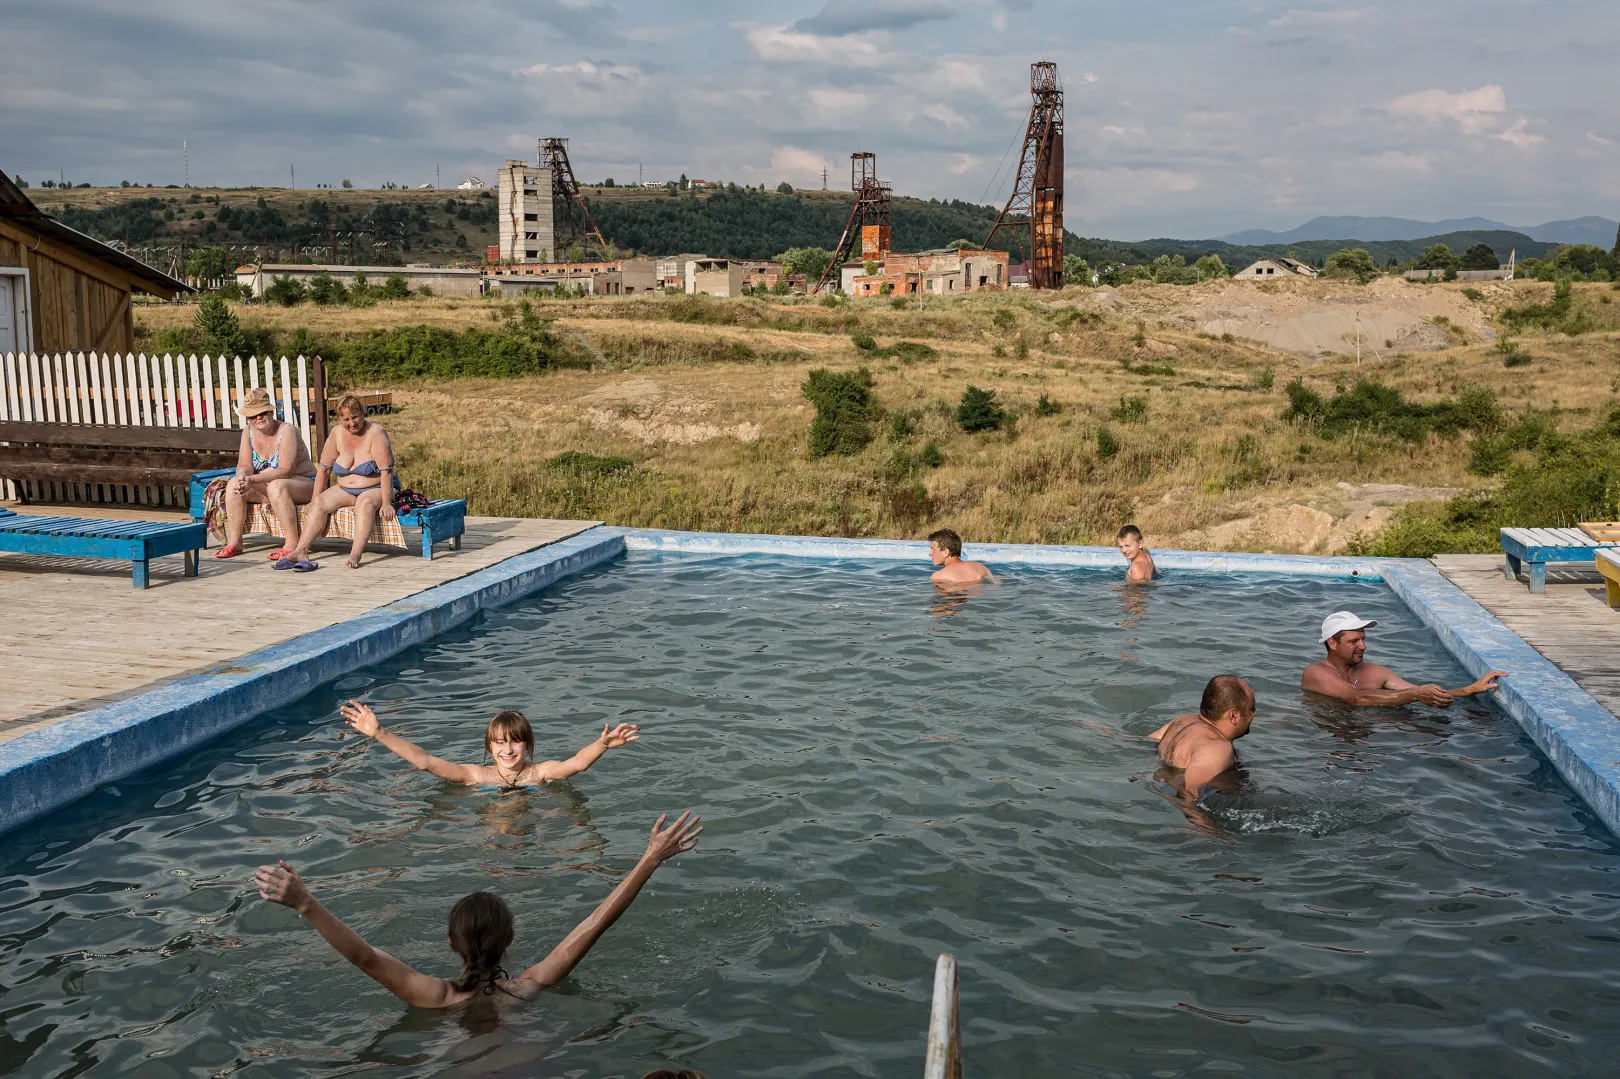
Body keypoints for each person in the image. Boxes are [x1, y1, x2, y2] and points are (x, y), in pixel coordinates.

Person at [253, 811, 702, 1007]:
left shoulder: (433, 997)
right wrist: (649, 859)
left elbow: (363, 956)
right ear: (511, 939)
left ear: (449, 943)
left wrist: (306, 903)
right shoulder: (528, 989)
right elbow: (596, 922)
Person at [341, 702, 639, 789]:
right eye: (499, 743)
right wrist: (380, 733)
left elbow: (577, 763)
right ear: (489, 746)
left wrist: (601, 745)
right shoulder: (477, 776)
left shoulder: (541, 773)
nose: (507, 750)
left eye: (515, 743)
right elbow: (426, 762)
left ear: (528, 746)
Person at [277, 395, 398, 571]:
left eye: (355, 417)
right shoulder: (336, 433)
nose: (352, 423)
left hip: (377, 487)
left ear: (363, 413)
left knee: (364, 503)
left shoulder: (376, 432)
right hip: (346, 488)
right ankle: (301, 550)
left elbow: (386, 472)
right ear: (339, 419)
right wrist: (313, 499)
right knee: (319, 503)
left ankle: (355, 554)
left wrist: (386, 503)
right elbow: (324, 469)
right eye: (346, 419)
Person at [1301, 611, 1506, 708]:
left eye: (1363, 639)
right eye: (1353, 641)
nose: (1363, 646)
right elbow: (1355, 698)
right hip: (1331, 738)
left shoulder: (1376, 672)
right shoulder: (1316, 673)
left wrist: (1466, 690)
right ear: (1333, 643)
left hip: (1368, 732)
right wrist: (1417, 694)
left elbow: (1420, 692)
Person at [213, 388, 317, 560]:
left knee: (277, 485)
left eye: (262, 413)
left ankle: (292, 543)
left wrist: (252, 478)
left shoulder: (287, 431)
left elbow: (285, 470)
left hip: (303, 483)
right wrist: (242, 476)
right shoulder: (248, 432)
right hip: (271, 486)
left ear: (270, 411)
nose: (258, 418)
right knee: (233, 485)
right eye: (253, 416)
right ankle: (235, 542)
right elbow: (244, 464)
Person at [1149, 674, 1256, 798]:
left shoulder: (1182, 721)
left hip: (1157, 778)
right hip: (1169, 791)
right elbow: (1188, 795)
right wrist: (1202, 818)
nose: (1255, 713)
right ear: (1233, 716)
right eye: (1251, 708)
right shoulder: (1217, 748)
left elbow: (1147, 740)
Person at [927, 528, 993, 585]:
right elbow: (996, 583)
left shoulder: (938, 577)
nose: (930, 553)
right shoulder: (981, 568)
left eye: (933, 549)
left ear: (946, 552)